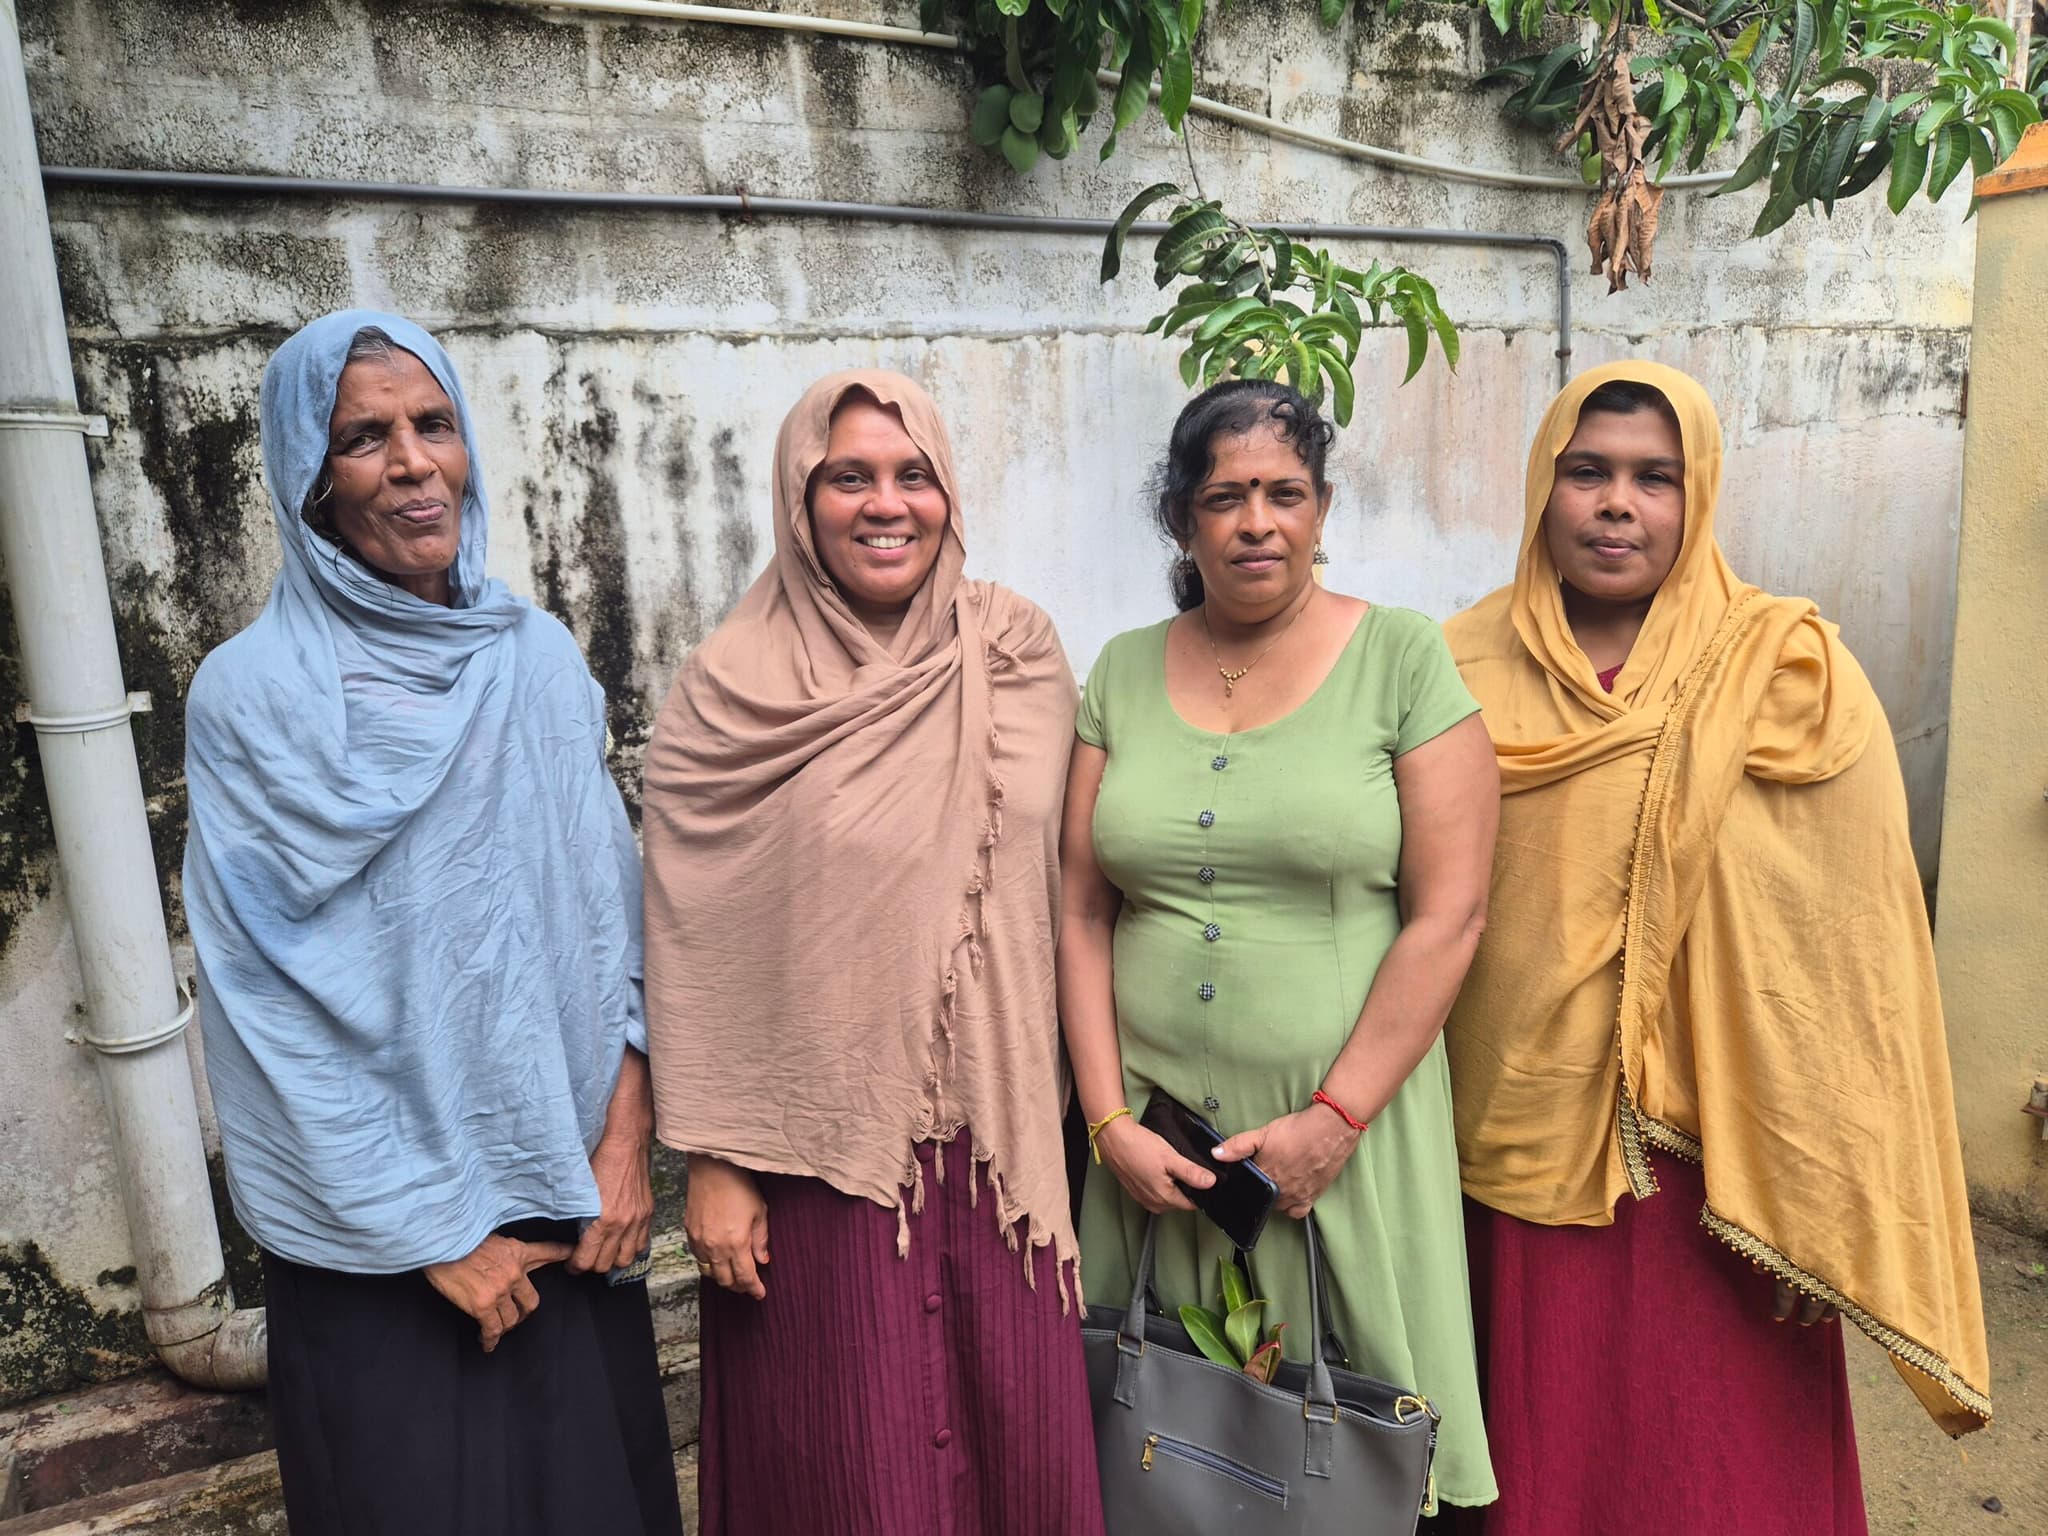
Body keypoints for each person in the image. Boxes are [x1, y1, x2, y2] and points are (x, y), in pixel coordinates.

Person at [1441, 360, 1991, 1535]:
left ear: (1698, 499)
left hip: (1726, 1167)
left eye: (1654, 478)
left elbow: (1855, 955)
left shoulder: (1787, 673)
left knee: (1712, 1470)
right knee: (1542, 1450)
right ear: (1542, 487)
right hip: (1513, 1144)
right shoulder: (1450, 668)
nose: (1615, 504)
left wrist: (1832, 1180)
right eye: (1585, 472)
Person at [183, 310, 683, 1536]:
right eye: (364, 437)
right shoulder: (252, 701)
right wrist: (429, 1230)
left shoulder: (538, 663)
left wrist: (625, 1143)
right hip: (385, 1257)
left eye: (432, 423)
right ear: (310, 477)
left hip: (567, 1217)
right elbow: (263, 1005)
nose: (412, 462)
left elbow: (613, 926)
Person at [641, 369, 1104, 1536]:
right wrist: (711, 1157)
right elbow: (696, 936)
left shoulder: (1013, 648)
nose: (884, 504)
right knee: (849, 1465)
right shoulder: (726, 694)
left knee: (1015, 1446)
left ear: (948, 493)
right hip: (818, 1167)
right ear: (802, 500)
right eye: (847, 477)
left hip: (1002, 1152)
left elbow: (1073, 888)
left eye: (913, 476)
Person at [1058, 378, 1502, 1517]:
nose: (1256, 520)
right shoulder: (1116, 670)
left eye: (1283, 492)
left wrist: (1333, 1120)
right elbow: (1079, 907)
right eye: (1224, 496)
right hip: (1159, 1157)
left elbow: (1447, 914)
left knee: (1342, 1451)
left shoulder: (1400, 659)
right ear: (1179, 520)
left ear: (1319, 509)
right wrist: (1105, 1120)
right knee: (1163, 1444)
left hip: (1334, 1141)